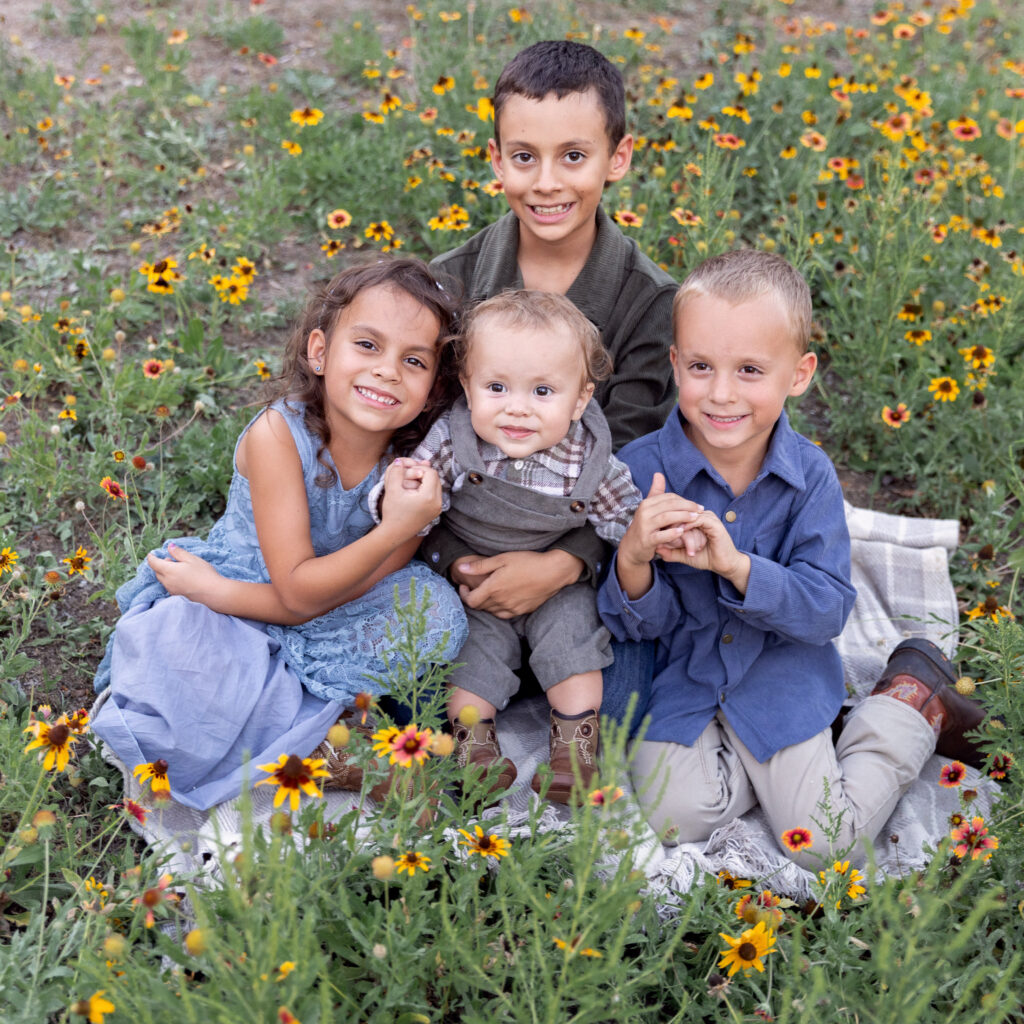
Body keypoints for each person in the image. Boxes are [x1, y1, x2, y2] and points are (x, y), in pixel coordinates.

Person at [597, 249, 987, 866]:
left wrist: (737, 568)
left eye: (750, 370)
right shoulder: (639, 470)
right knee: (676, 818)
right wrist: (634, 558)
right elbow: (630, 626)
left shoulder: (810, 477)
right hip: (684, 682)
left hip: (781, 680)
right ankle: (786, 769)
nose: (721, 393)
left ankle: (910, 700)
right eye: (700, 366)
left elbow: (826, 610)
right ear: (675, 363)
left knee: (823, 844)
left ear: (799, 374)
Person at [91, 259, 469, 811]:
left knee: (431, 607)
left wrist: (401, 528)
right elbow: (294, 589)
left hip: (337, 608)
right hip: (238, 601)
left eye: (413, 361)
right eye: (367, 345)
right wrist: (218, 593)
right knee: (177, 649)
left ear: (433, 387)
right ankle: (330, 745)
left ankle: (337, 735)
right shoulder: (278, 435)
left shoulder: (418, 464)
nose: (388, 371)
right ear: (320, 352)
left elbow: (369, 580)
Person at [426, 39, 679, 730]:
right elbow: (422, 439)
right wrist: (455, 562)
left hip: (580, 551)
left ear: (617, 158)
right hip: (465, 547)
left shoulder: (647, 301)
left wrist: (565, 566)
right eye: (524, 157)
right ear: (495, 159)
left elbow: (630, 457)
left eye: (573, 156)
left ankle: (552, 693)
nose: (546, 183)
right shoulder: (452, 281)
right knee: (398, 692)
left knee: (620, 713)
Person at [378, 291, 696, 803]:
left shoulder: (590, 459)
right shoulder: (454, 440)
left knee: (575, 643)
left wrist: (655, 531)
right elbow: (414, 489)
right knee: (471, 656)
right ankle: (475, 753)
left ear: (580, 400)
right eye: (496, 387)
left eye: (543, 391)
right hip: (475, 586)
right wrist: (400, 495)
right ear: (467, 385)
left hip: (558, 586)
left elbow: (622, 517)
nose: (518, 408)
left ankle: (574, 755)